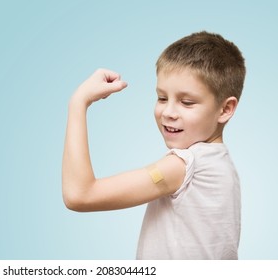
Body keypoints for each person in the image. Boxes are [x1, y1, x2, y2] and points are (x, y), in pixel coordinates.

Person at [62, 31, 246, 259]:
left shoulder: (183, 166)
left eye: (186, 102)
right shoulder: (221, 164)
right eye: (161, 98)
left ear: (225, 109)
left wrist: (78, 102)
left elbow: (80, 195)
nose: (168, 112)